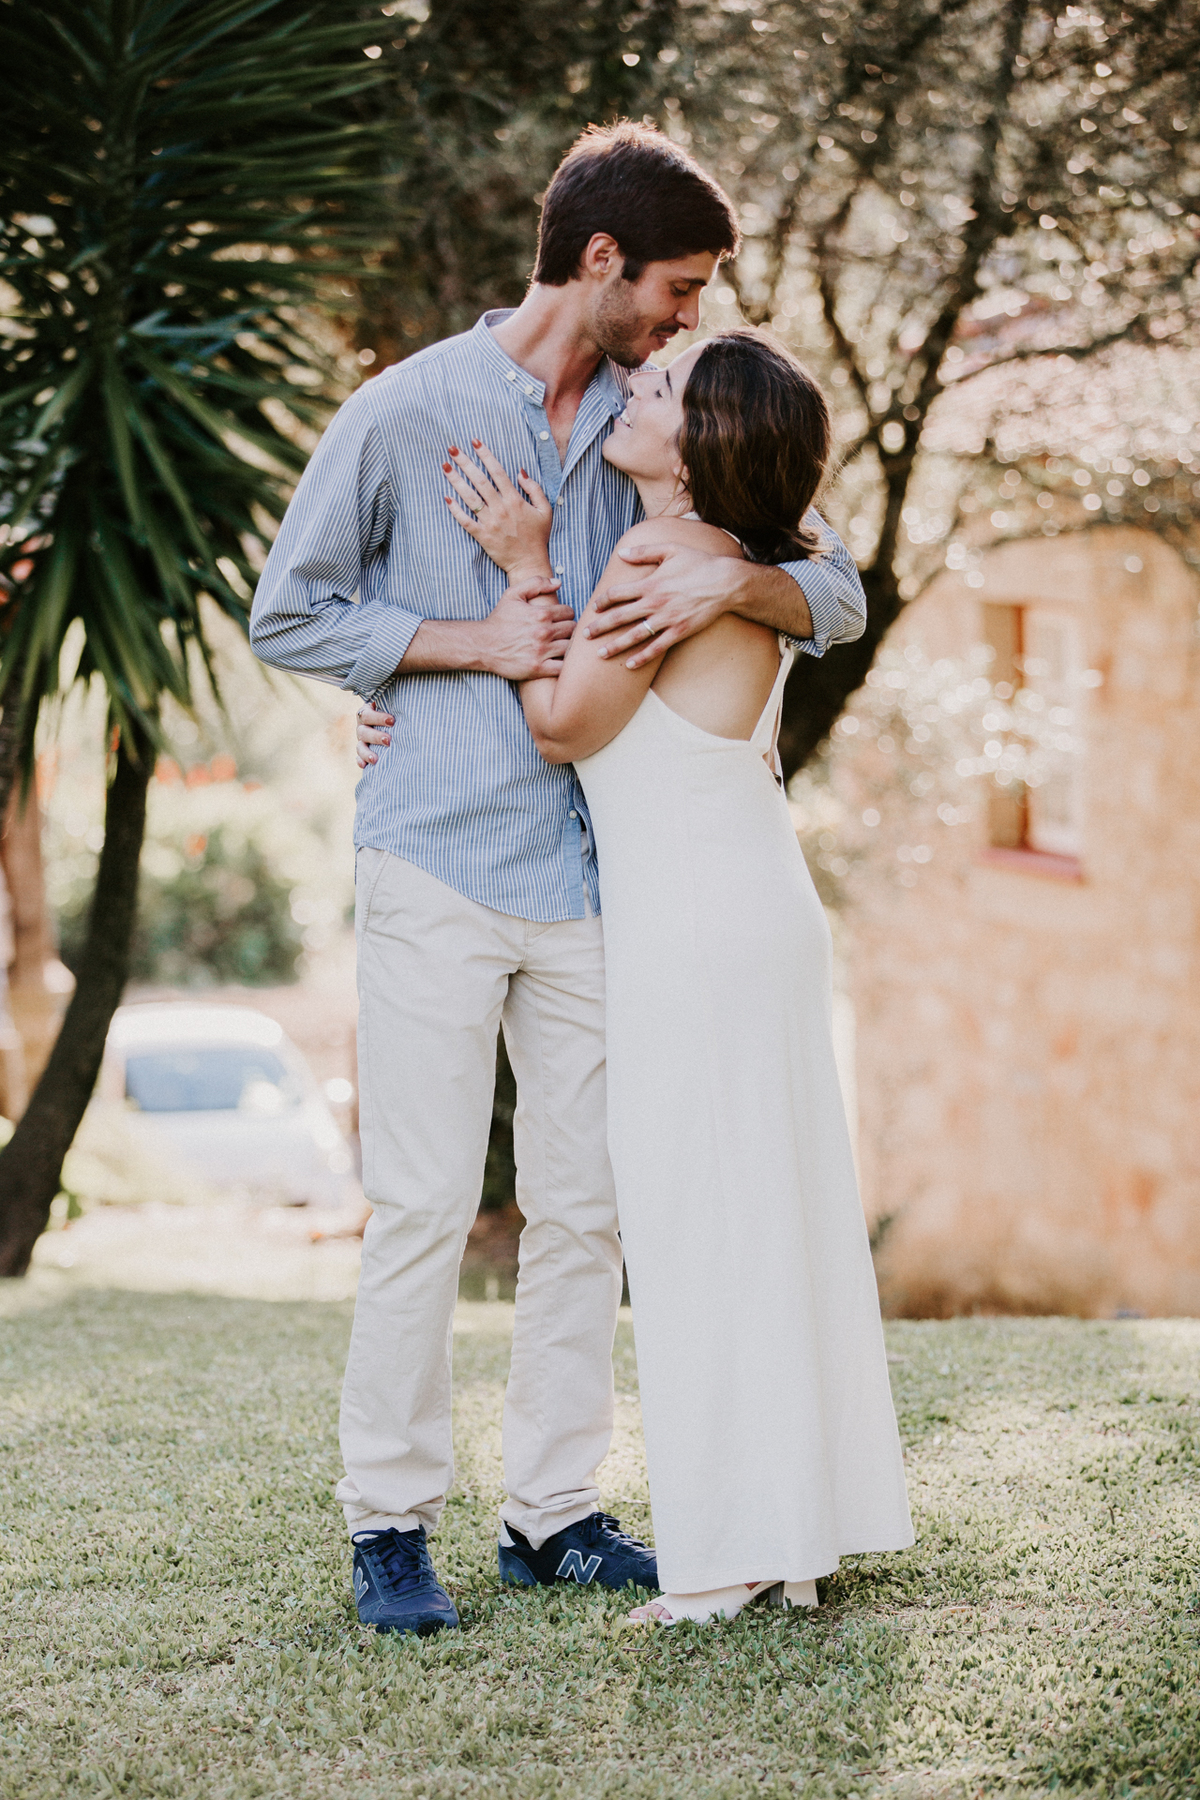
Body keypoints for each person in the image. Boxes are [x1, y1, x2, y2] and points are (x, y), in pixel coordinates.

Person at [251, 122, 870, 1637]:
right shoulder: (403, 416)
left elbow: (835, 586)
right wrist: (463, 643)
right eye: (674, 288)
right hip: (443, 859)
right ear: (600, 262)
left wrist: (744, 581)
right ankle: (391, 1521)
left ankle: (554, 1509)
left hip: (605, 881)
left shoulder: (666, 418)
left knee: (588, 1211)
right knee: (421, 1204)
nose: (685, 319)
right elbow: (292, 611)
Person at [394, 327, 913, 1626]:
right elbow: (818, 591)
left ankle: (735, 1556)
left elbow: (562, 724)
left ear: (702, 448)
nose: (641, 388)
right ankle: (792, 1533)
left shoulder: (660, 552)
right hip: (753, 912)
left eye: (670, 390)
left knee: (698, 1228)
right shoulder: (752, 557)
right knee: (766, 1218)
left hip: (693, 925)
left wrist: (520, 568)